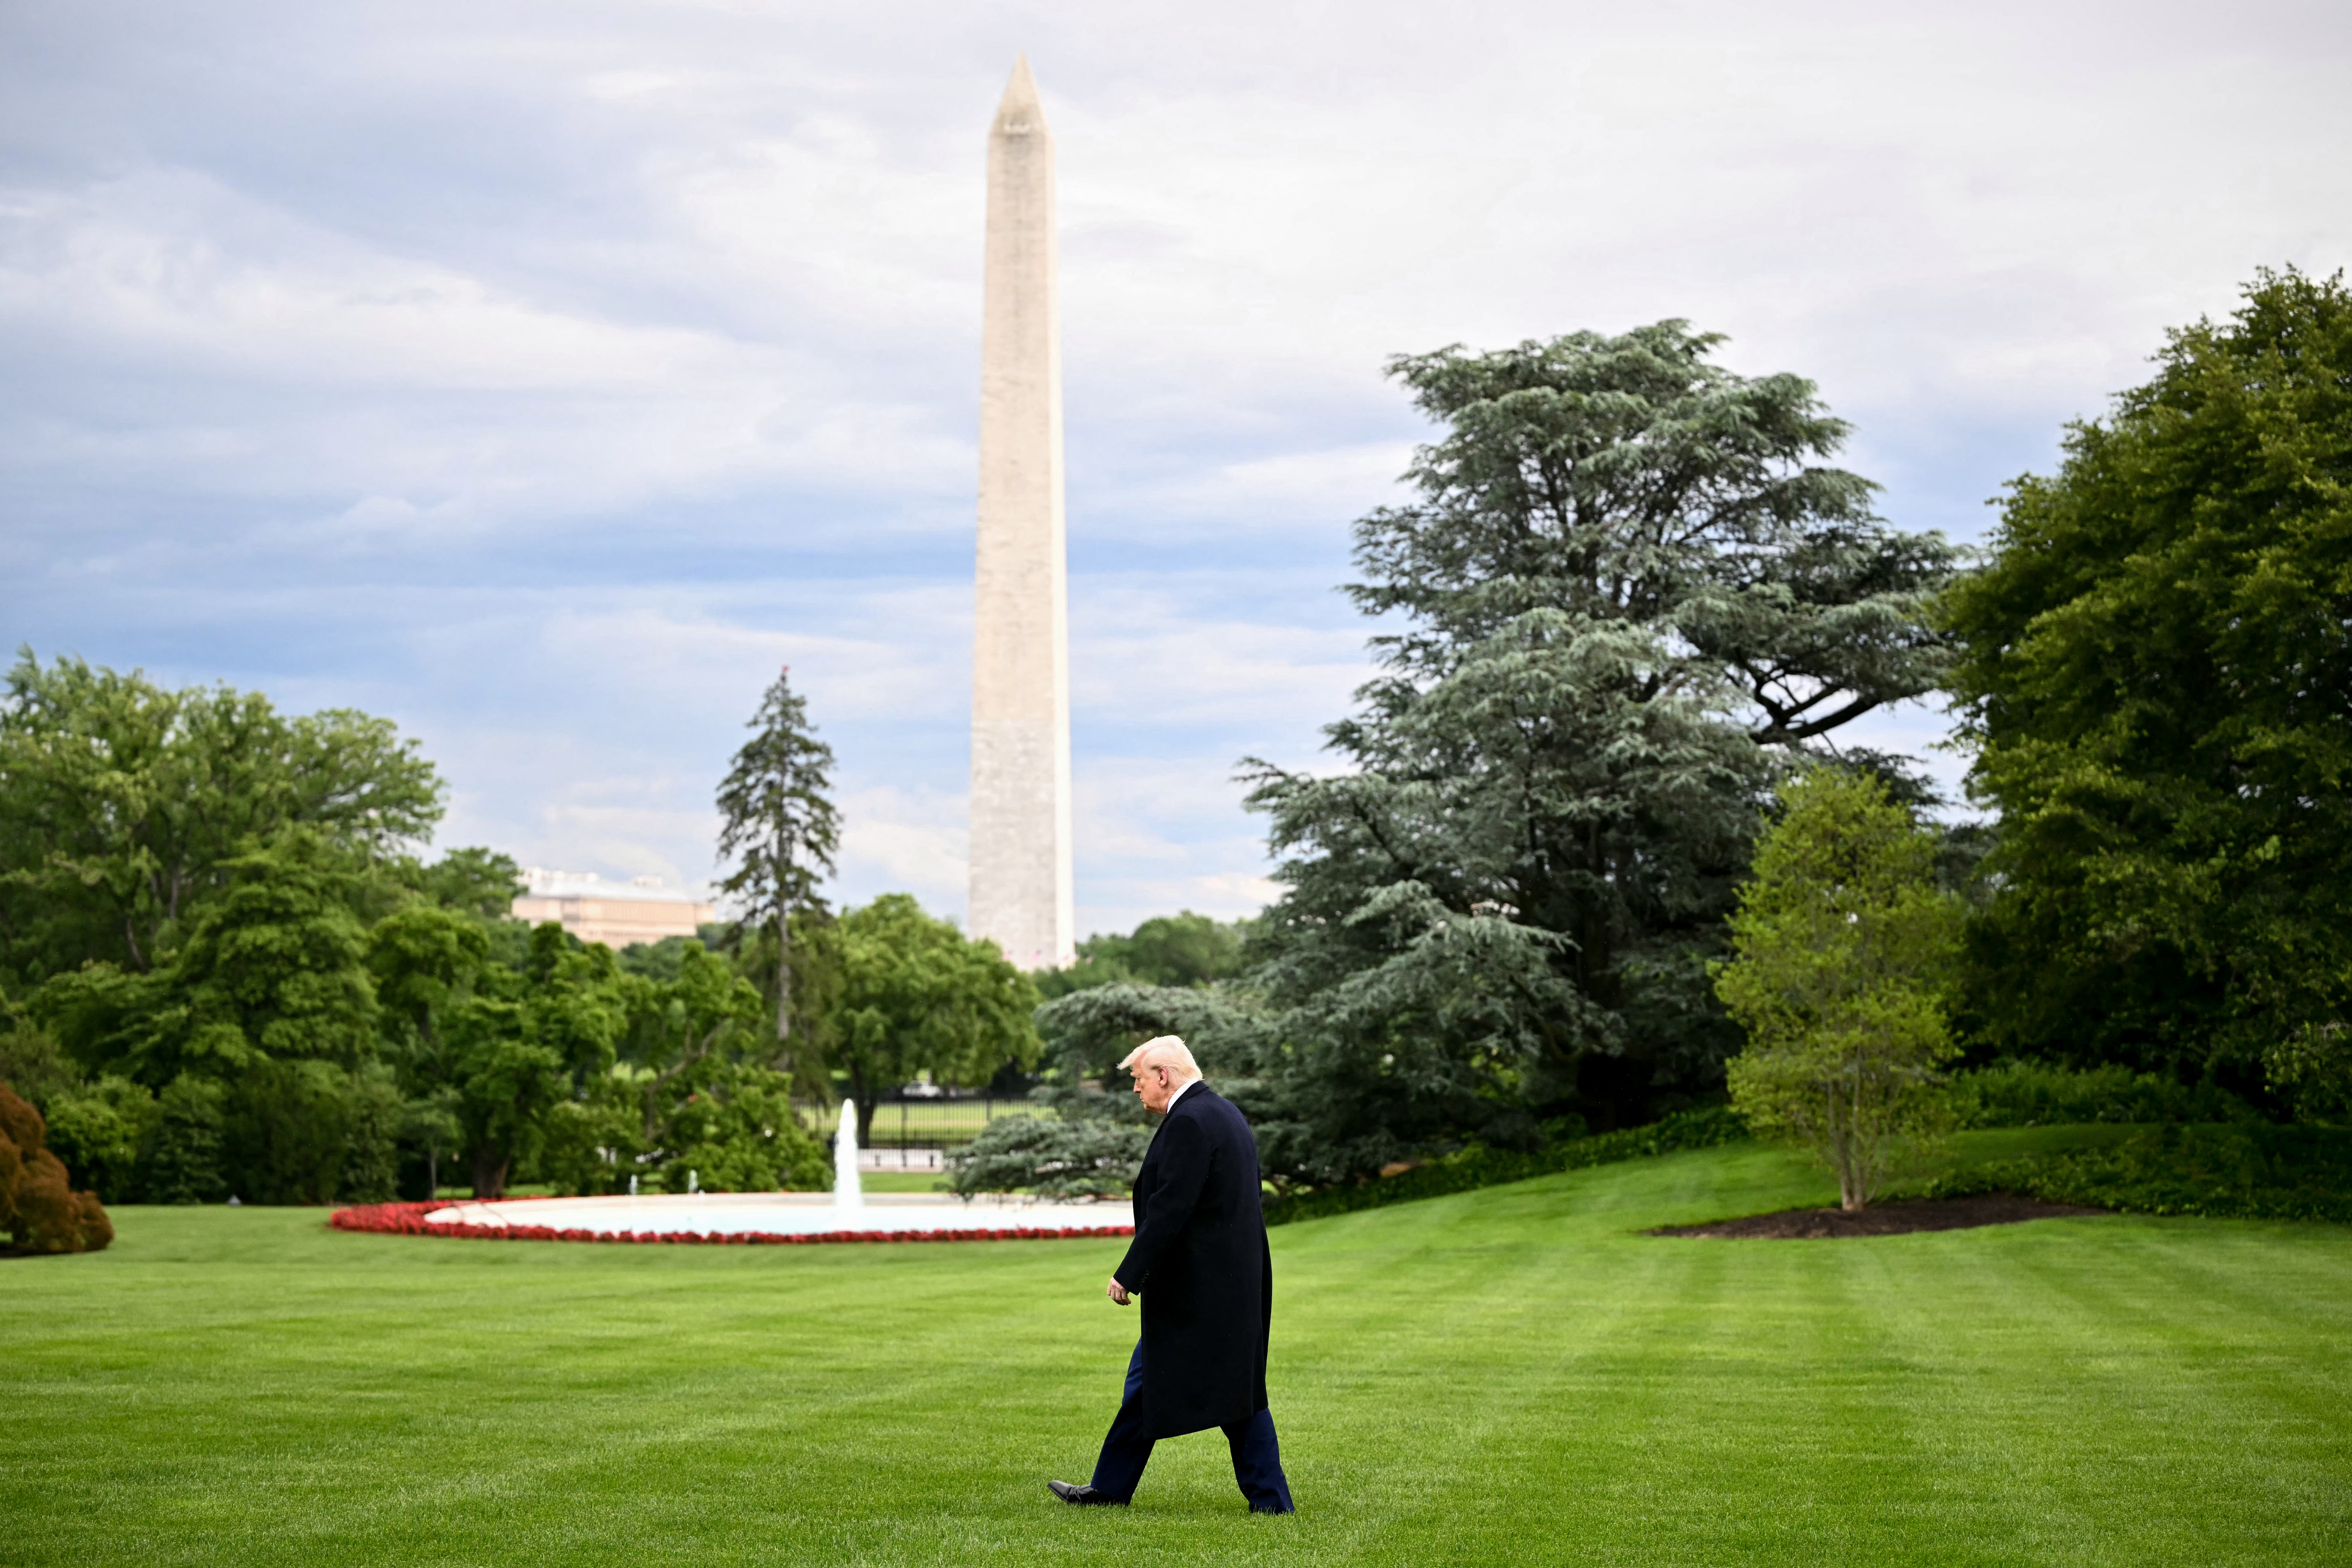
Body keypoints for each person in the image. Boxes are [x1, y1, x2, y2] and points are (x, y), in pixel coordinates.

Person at [1047, 1035, 1294, 1514]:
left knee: (1235, 1396)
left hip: (1201, 1290)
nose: (1137, 1090)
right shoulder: (1224, 1113)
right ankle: (1112, 1487)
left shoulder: (1190, 1123)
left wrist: (1129, 1273)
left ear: (1164, 1075)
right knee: (1174, 1383)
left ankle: (1271, 1501)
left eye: (1139, 1079)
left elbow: (1170, 1209)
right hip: (1228, 1284)